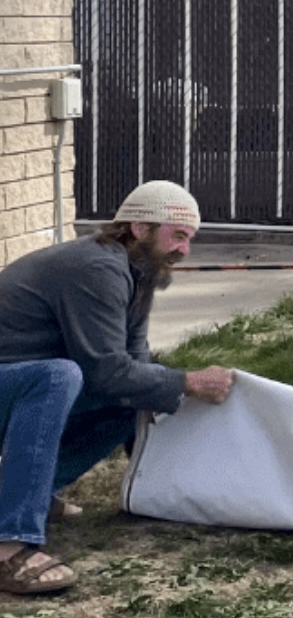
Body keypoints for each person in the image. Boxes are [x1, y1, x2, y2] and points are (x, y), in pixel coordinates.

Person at [0, 181, 234, 595]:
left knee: (133, 394)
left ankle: (25, 495)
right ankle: (10, 544)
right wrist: (187, 381)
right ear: (140, 228)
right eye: (178, 235)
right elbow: (105, 371)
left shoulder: (137, 273)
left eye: (189, 240)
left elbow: (134, 364)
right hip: (17, 381)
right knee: (58, 376)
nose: (184, 250)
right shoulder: (97, 268)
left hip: (13, 384)